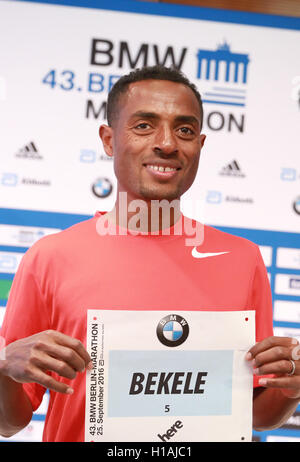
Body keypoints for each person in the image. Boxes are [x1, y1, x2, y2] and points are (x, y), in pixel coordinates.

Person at [0, 65, 299, 442]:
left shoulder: (243, 260)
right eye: (144, 125)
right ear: (108, 139)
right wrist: (3, 369)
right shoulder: (50, 258)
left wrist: (292, 387)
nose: (167, 143)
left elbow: (255, 413)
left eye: (185, 130)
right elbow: (8, 422)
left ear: (200, 147)